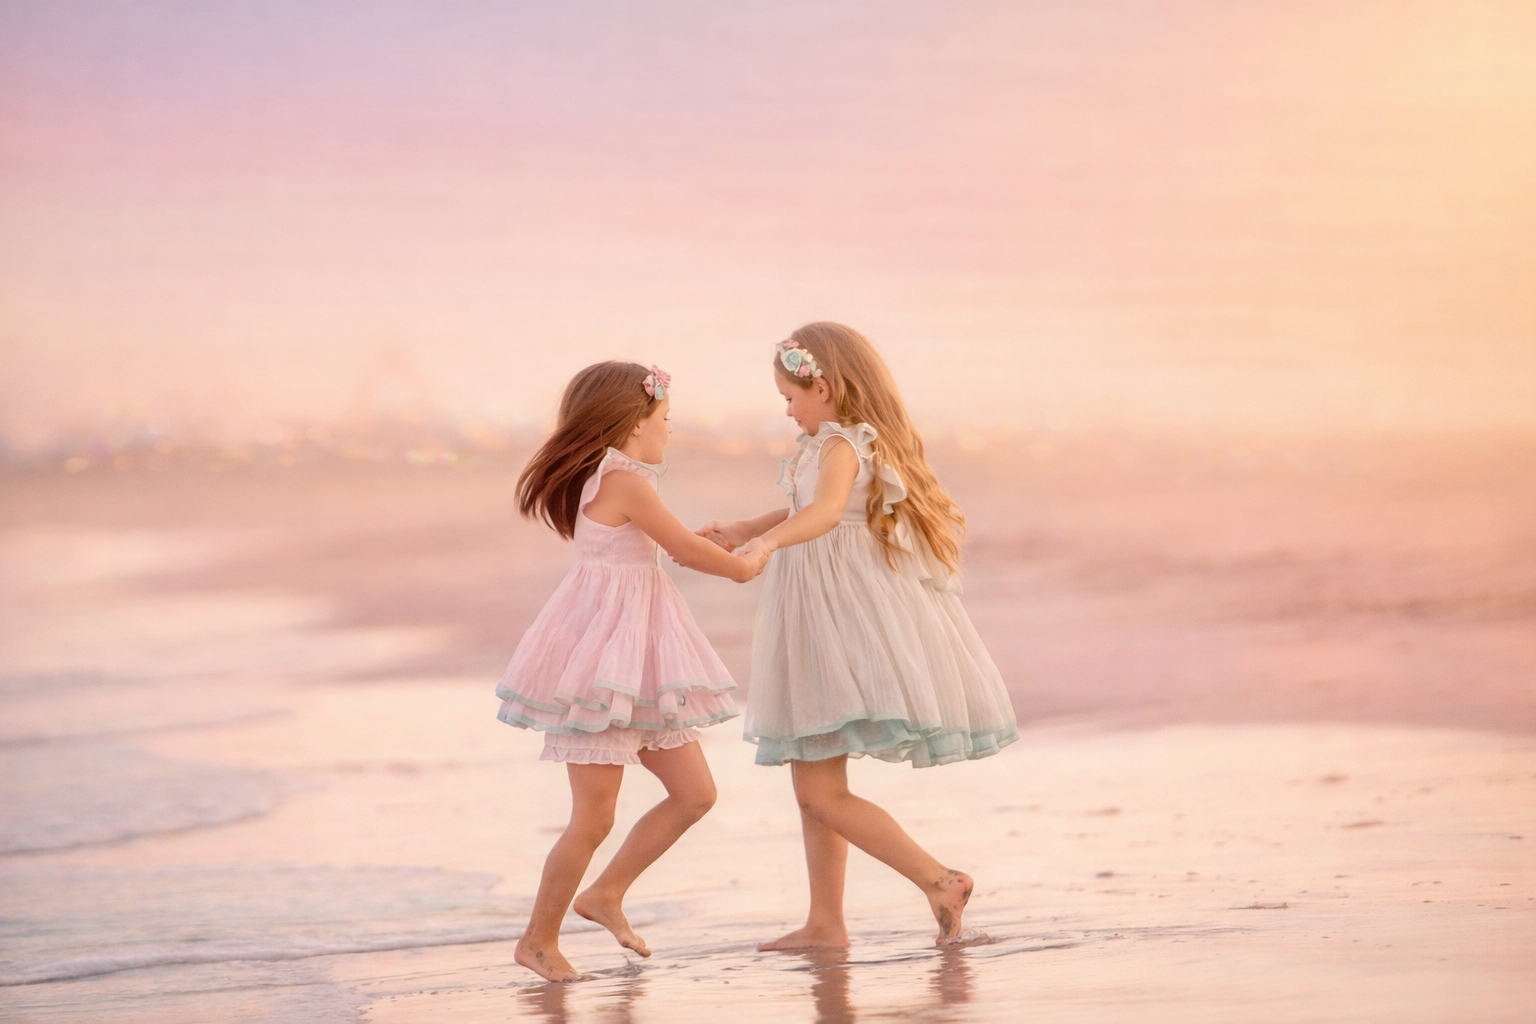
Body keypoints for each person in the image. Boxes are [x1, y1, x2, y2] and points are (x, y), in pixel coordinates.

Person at [700, 323, 1017, 949]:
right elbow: (806, 507)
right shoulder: (818, 443)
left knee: (818, 786)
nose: (785, 408)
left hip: (834, 618)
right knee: (814, 777)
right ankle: (826, 923)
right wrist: (745, 525)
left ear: (822, 385)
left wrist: (764, 544)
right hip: (817, 611)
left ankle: (938, 879)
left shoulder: (846, 443)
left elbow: (821, 515)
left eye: (790, 395)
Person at [499, 361, 767, 982]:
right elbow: (683, 549)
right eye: (665, 419)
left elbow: (659, 543)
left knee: (695, 794)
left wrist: (720, 540)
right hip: (605, 662)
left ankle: (606, 894)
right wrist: (745, 567)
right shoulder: (623, 479)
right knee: (593, 817)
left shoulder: (614, 479)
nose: (670, 431)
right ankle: (538, 940)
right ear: (634, 423)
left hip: (636, 654)